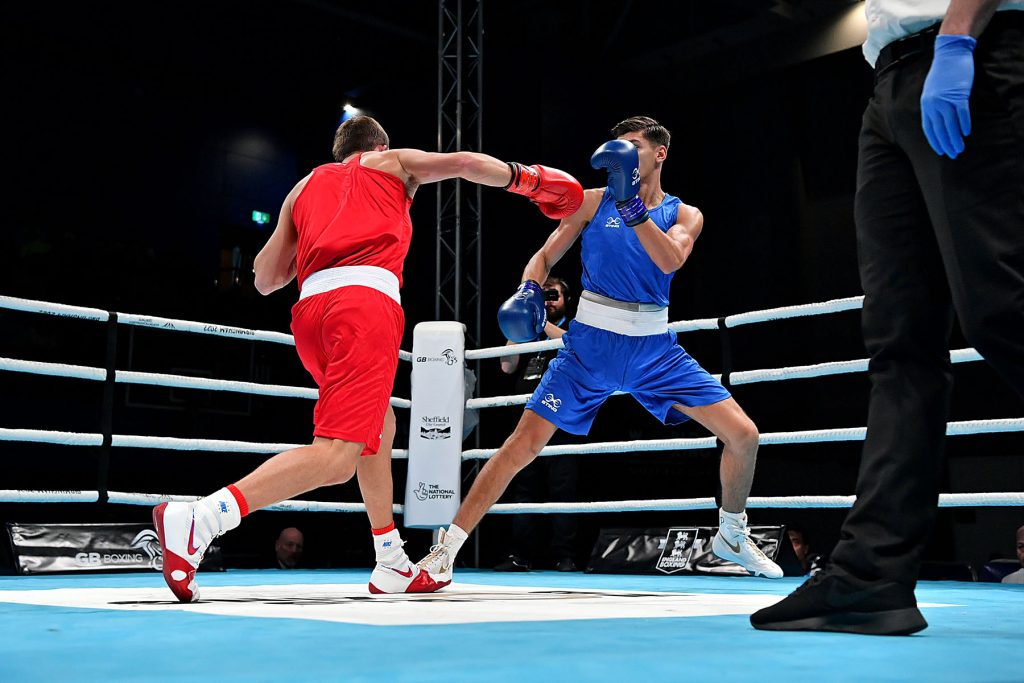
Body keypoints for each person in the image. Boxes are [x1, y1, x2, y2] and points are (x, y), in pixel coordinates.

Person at [151, 114, 584, 602]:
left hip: (311, 316)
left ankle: (391, 560)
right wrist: (532, 181)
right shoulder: (392, 161)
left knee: (379, 428)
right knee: (338, 456)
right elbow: (463, 163)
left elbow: (265, 278)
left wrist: (317, 237)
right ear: (378, 144)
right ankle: (201, 519)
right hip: (364, 307)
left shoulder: (303, 186)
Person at [751, 1, 1024, 635]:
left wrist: (958, 37)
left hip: (972, 48)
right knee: (899, 344)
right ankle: (870, 576)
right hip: (889, 83)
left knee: (1004, 307)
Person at [416, 116, 783, 584]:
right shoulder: (592, 202)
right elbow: (546, 255)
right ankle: (445, 551)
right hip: (588, 346)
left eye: (632, 146)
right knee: (519, 447)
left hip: (654, 350)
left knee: (744, 435)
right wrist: (529, 287)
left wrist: (633, 208)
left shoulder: (684, 213)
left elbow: (670, 260)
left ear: (659, 154)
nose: (622, 155)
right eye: (618, 146)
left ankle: (731, 534)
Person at [496, 276, 580, 572]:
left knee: (562, 488)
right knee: (524, 488)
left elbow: (571, 345)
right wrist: (518, 322)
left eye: (553, 295)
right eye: (542, 296)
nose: (547, 301)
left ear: (566, 300)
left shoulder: (574, 327)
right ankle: (520, 555)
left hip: (560, 419)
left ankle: (565, 556)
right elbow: (506, 366)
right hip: (526, 419)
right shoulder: (529, 332)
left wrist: (541, 320)